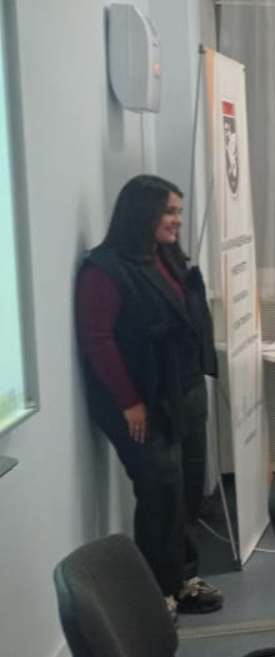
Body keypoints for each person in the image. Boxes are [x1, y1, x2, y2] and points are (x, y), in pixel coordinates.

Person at [75, 175, 223, 617]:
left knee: (188, 489)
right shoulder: (103, 270)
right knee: (161, 491)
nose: (178, 220)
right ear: (143, 213)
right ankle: (156, 595)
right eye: (170, 211)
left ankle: (183, 578)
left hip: (184, 390)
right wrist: (129, 402)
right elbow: (98, 341)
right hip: (139, 402)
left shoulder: (165, 256)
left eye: (179, 211)